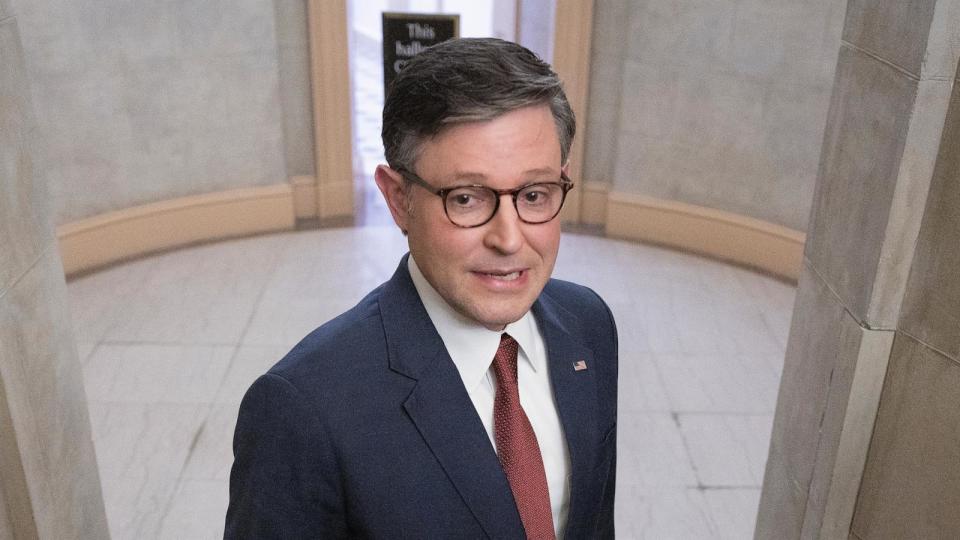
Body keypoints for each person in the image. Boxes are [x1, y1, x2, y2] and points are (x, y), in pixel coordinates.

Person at [225, 37, 618, 539]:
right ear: (398, 199)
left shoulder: (588, 323)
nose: (509, 238)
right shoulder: (302, 410)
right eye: (467, 198)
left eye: (535, 194)